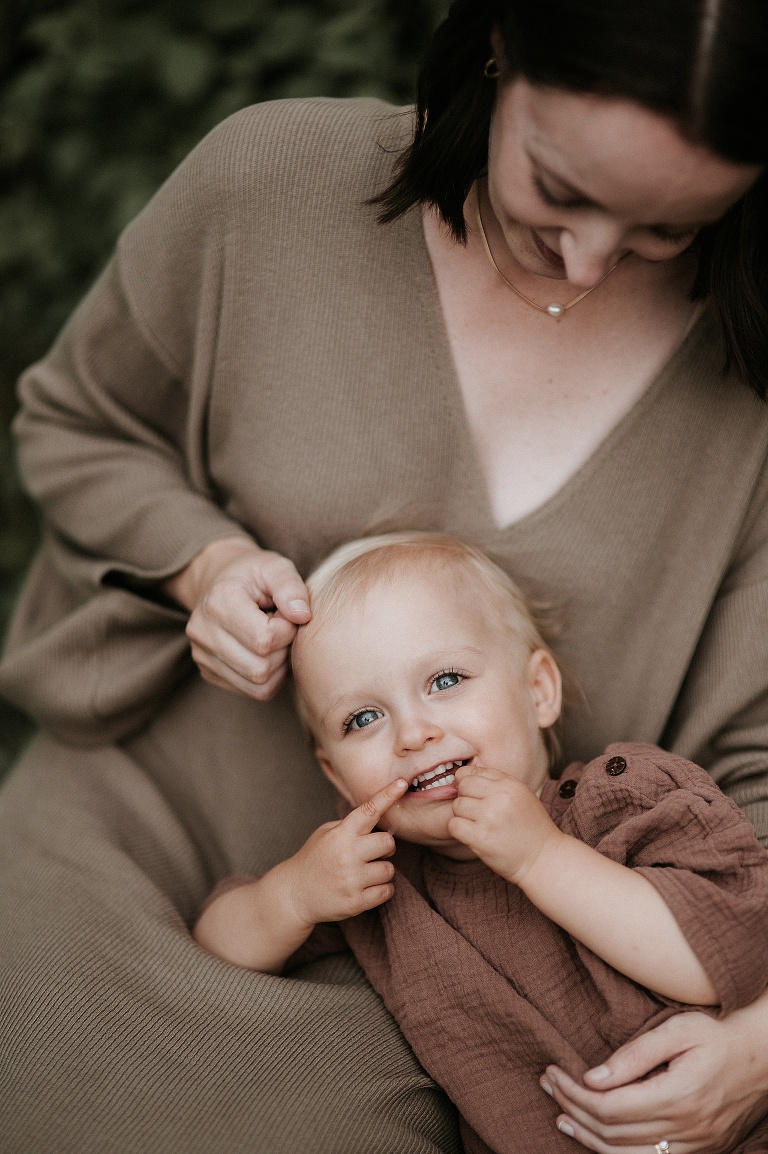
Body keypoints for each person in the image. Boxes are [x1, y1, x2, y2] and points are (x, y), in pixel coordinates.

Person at [1, 0, 768, 1150]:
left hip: (505, 974)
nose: (591, 259)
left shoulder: (752, 370)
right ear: (503, 43)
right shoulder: (269, 184)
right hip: (147, 838)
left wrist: (764, 1036)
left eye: (670, 229)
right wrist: (200, 565)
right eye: (559, 188)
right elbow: (80, 421)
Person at [193, 532, 768, 1154]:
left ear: (538, 690)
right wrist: (292, 898)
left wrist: (540, 856)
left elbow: (725, 955)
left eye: (445, 679)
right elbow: (217, 948)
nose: (414, 732)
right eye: (363, 719)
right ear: (334, 772)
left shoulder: (625, 796)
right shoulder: (376, 878)